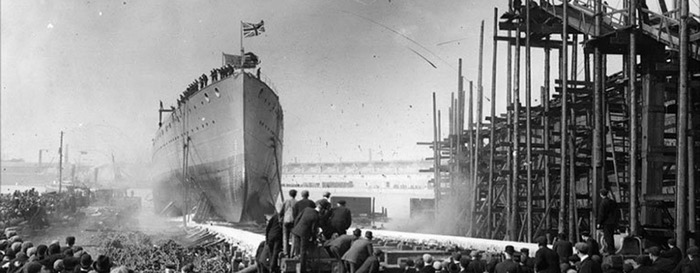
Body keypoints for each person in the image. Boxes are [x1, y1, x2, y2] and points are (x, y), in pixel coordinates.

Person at [291, 201, 320, 273]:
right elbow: (313, 229)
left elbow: (297, 218)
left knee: (297, 249)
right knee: (303, 251)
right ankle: (302, 269)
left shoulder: (307, 209)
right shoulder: (316, 216)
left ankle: (296, 260)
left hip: (296, 230)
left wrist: (295, 227)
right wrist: (314, 238)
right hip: (304, 234)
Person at [596, 188, 619, 255]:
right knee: (611, 236)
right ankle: (611, 249)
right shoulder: (613, 202)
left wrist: (599, 223)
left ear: (601, 194)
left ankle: (610, 251)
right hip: (613, 222)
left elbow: (601, 214)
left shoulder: (603, 203)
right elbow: (617, 212)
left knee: (607, 237)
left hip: (606, 222)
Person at [279, 189, 297, 257]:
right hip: (293, 221)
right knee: (293, 238)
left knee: (285, 237)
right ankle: (292, 253)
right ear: (295, 195)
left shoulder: (286, 201)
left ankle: (286, 253)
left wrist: (280, 219)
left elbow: (281, 211)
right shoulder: (296, 202)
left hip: (286, 221)